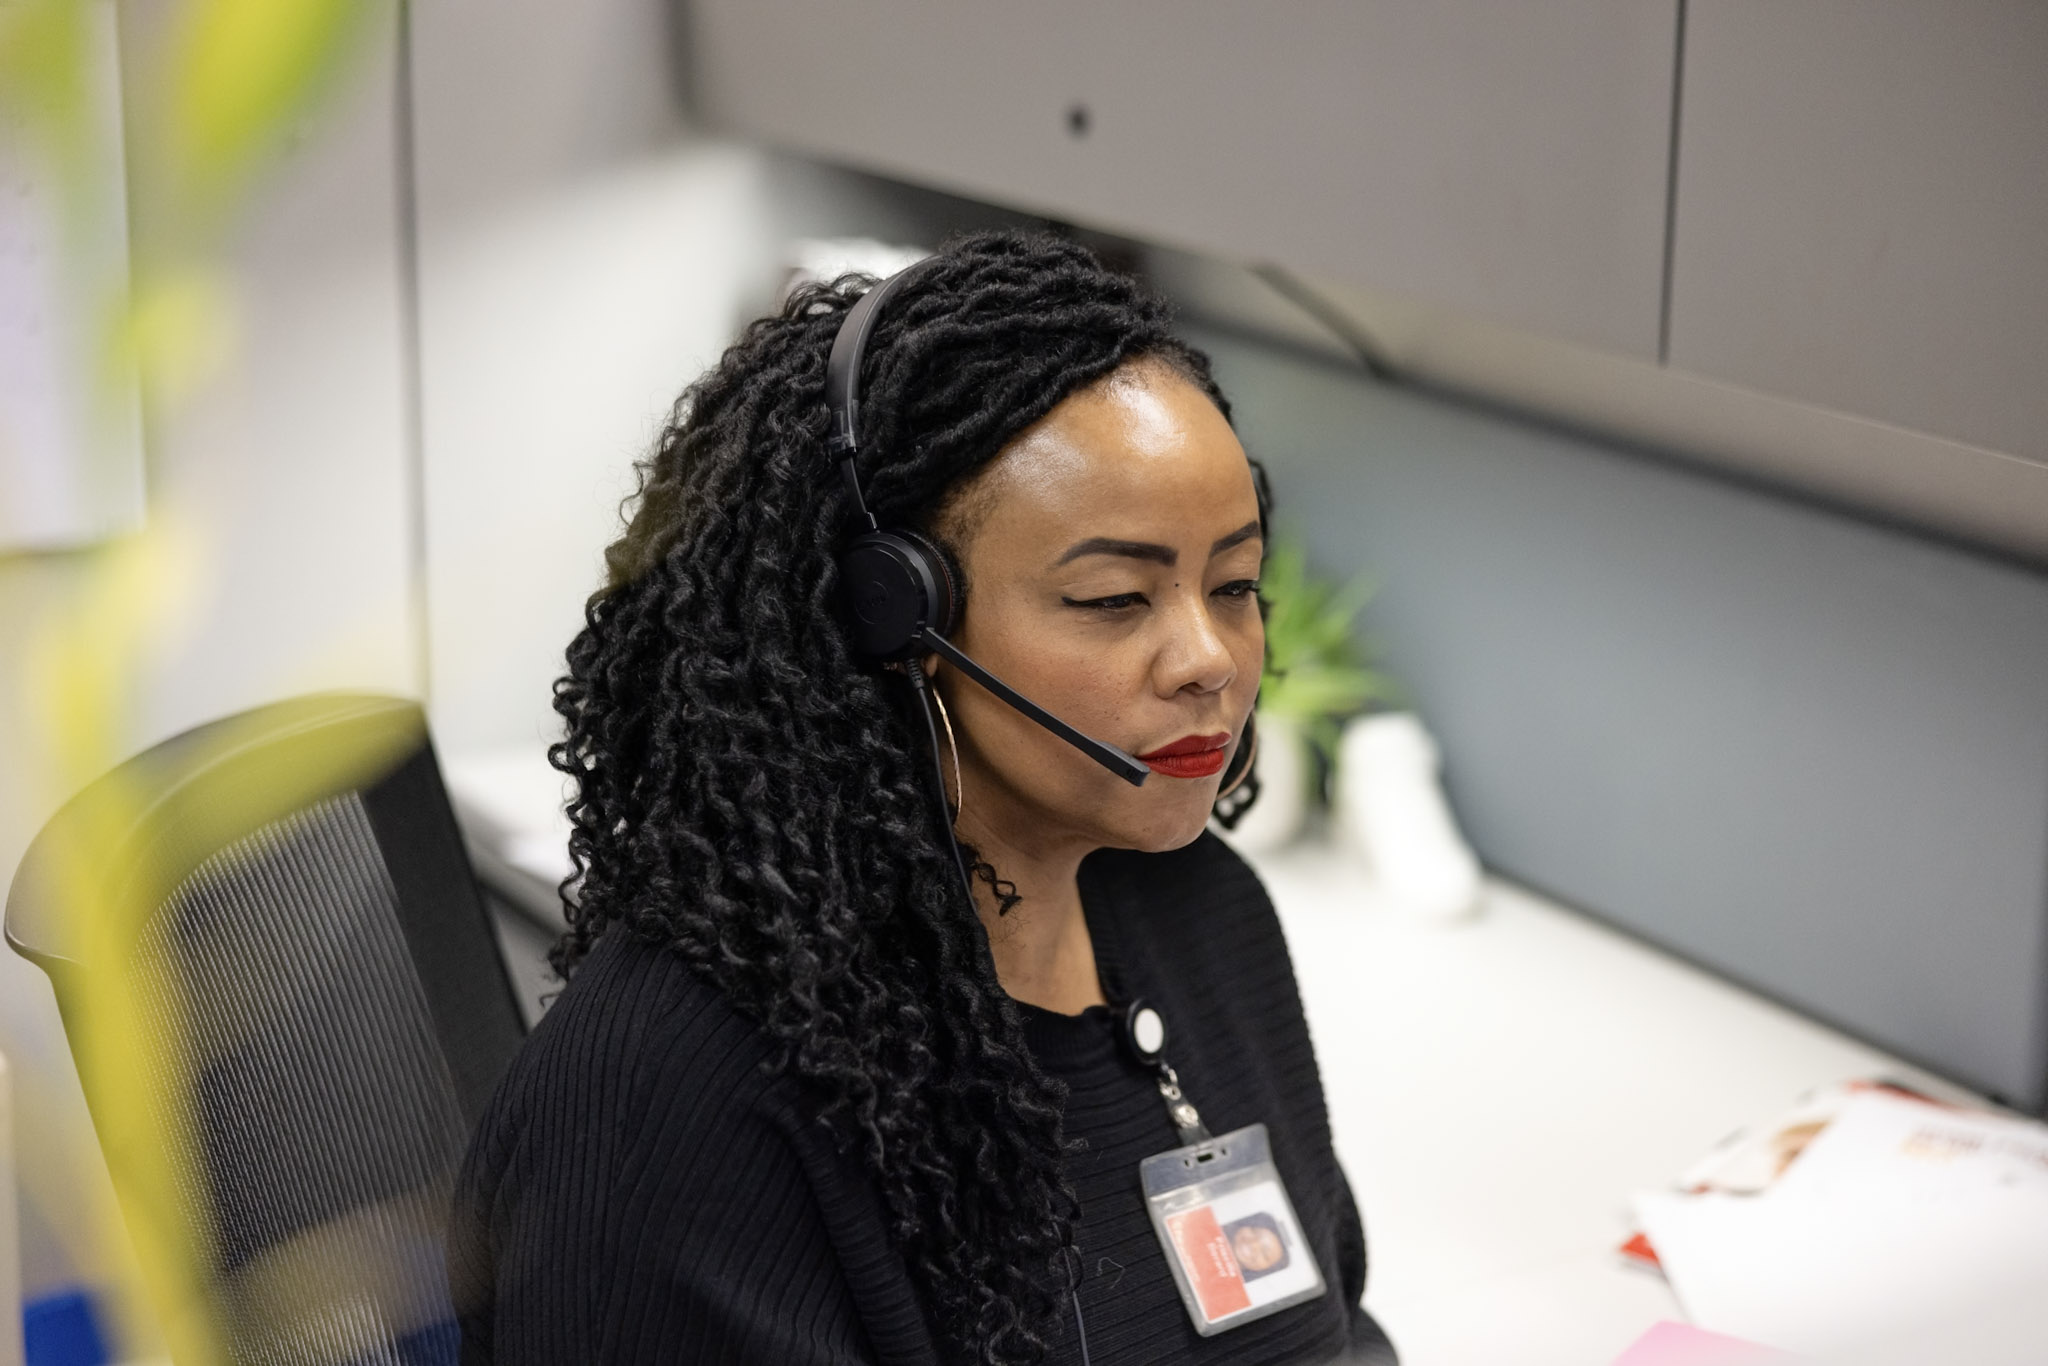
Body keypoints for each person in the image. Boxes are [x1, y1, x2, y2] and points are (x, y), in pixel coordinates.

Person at [448, 230, 1398, 1365]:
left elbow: (1331, 1329)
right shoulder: (676, 1102)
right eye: (1110, 598)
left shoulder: (1202, 915)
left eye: (1232, 583)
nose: (1208, 657)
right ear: (896, 623)